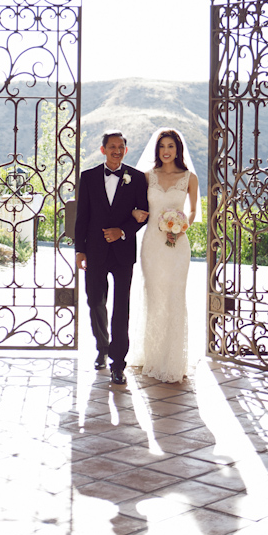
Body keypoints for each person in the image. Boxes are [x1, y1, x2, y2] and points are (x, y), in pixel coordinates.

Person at [75, 131, 149, 385]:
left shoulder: (137, 179)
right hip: (94, 250)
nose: (117, 150)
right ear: (103, 149)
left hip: (123, 252)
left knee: (121, 307)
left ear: (126, 151)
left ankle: (118, 363)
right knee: (95, 300)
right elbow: (82, 216)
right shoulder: (88, 177)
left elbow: (143, 214)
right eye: (112, 146)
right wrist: (79, 250)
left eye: (121, 147)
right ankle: (102, 347)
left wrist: (123, 231)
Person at [129, 129, 199, 383]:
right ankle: (152, 356)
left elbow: (192, 212)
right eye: (162, 147)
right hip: (152, 244)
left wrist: (181, 227)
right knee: (155, 295)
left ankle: (173, 360)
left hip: (178, 245)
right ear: (157, 151)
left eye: (171, 146)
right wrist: (136, 214)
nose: (166, 150)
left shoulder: (190, 178)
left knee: (174, 296)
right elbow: (136, 206)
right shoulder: (147, 177)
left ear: (178, 149)